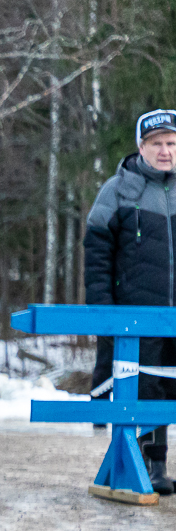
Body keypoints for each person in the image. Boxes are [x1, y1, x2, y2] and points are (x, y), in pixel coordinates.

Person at [84, 108, 176, 494]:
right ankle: (151, 466)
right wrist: (102, 308)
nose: (165, 151)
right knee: (148, 388)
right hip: (138, 312)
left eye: (171, 143)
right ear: (141, 147)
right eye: (156, 143)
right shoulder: (118, 189)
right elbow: (96, 252)